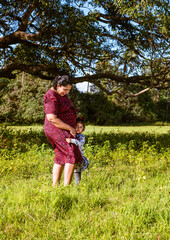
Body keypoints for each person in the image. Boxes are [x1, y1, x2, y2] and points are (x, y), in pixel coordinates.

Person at [43, 75, 84, 186]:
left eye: (69, 90)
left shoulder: (60, 94)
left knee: (61, 156)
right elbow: (51, 118)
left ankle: (55, 186)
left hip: (62, 128)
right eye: (65, 89)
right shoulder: (51, 96)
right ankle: (66, 187)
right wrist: (70, 128)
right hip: (55, 128)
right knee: (72, 152)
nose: (66, 92)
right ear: (58, 85)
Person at [66, 117, 89, 185]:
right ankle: (67, 183)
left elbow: (80, 143)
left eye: (80, 127)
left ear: (83, 129)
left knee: (77, 172)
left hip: (79, 157)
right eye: (77, 126)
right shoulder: (73, 135)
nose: (78, 128)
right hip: (72, 155)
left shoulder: (81, 136)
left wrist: (72, 141)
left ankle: (77, 185)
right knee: (71, 170)